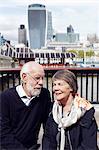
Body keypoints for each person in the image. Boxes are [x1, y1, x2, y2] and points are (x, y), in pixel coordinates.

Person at [0, 61, 51, 149]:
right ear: (24, 77)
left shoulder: (44, 95)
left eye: (43, 78)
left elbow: (48, 127)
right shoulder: (5, 98)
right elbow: (3, 133)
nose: (41, 82)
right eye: (37, 78)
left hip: (32, 147)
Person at [42, 70, 98, 150]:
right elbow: (48, 140)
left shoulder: (85, 111)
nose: (55, 88)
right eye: (54, 85)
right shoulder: (52, 111)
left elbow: (89, 146)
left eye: (60, 84)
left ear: (71, 87)